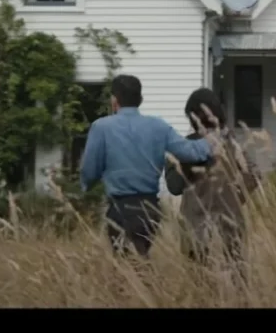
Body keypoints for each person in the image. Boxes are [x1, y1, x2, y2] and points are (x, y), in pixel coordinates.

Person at [80, 74, 213, 258]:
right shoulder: (158, 126)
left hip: (119, 209)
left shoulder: (101, 127)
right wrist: (215, 138)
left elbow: (89, 170)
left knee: (125, 266)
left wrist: (85, 186)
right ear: (140, 100)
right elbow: (192, 152)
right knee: (140, 258)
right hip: (149, 209)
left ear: (114, 100)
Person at [164, 88, 260, 276]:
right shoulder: (233, 145)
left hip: (195, 230)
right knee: (238, 286)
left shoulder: (183, 149)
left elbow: (174, 187)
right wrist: (235, 197)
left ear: (192, 117)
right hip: (231, 228)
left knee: (200, 290)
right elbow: (254, 175)